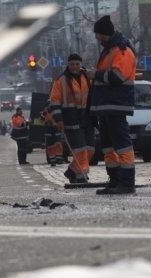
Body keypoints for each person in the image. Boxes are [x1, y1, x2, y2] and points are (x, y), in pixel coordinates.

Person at [85, 15, 137, 194]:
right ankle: (115, 180)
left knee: (122, 145)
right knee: (108, 147)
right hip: (106, 106)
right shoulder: (109, 50)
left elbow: (117, 77)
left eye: (97, 34)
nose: (96, 37)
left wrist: (95, 74)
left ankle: (127, 183)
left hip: (116, 105)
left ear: (104, 33)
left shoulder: (121, 50)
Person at [49, 53, 94, 183]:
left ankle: (72, 171)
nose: (75, 67)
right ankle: (81, 177)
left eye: (77, 64)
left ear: (81, 64)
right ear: (68, 65)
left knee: (90, 150)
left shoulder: (88, 78)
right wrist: (59, 120)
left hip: (87, 119)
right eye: (72, 64)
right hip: (71, 120)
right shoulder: (61, 81)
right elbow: (54, 102)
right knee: (80, 150)